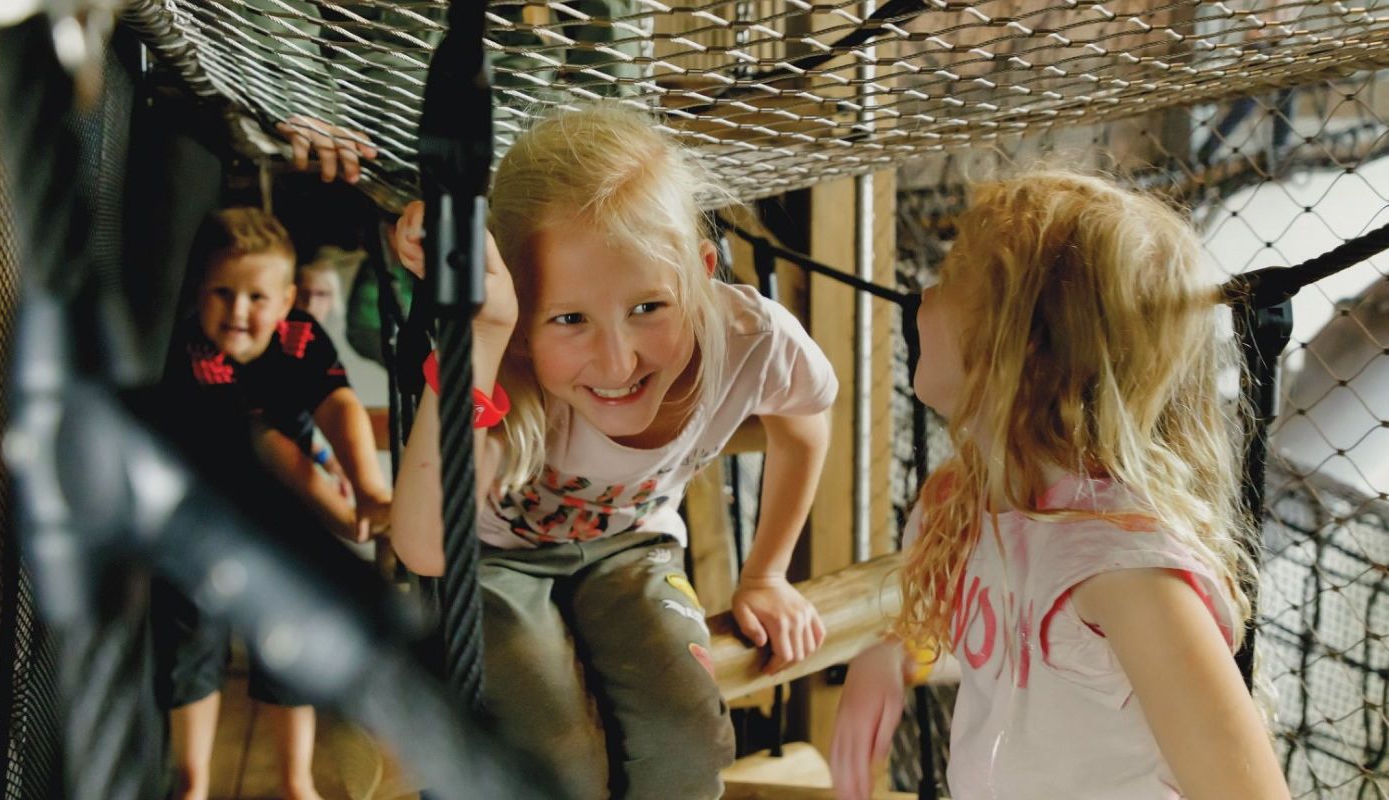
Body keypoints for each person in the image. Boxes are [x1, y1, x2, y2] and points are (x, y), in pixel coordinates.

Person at [386, 105, 838, 800]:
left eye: (649, 307)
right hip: (488, 559)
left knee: (684, 734)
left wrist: (766, 573)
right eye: (568, 319)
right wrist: (481, 335)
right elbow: (423, 549)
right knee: (551, 755)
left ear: (702, 272)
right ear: (519, 315)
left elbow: (806, 418)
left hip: (630, 546)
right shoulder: (497, 356)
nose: (616, 359)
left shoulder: (748, 337)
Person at [829, 172, 1290, 800]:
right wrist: (895, 657)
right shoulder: (982, 501)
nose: (925, 295)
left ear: (1023, 348)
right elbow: (1018, 651)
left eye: (953, 275)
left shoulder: (1123, 567)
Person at [155, 207, 391, 800]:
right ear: (199, 294)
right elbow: (267, 450)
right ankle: (192, 781)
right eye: (222, 293)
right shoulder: (195, 354)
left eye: (256, 297)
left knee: (290, 631)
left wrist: (368, 487)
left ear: (286, 301)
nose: (238, 312)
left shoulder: (301, 334)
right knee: (194, 645)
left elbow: (337, 404)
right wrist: (344, 517)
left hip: (275, 517)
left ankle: (295, 782)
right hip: (200, 517)